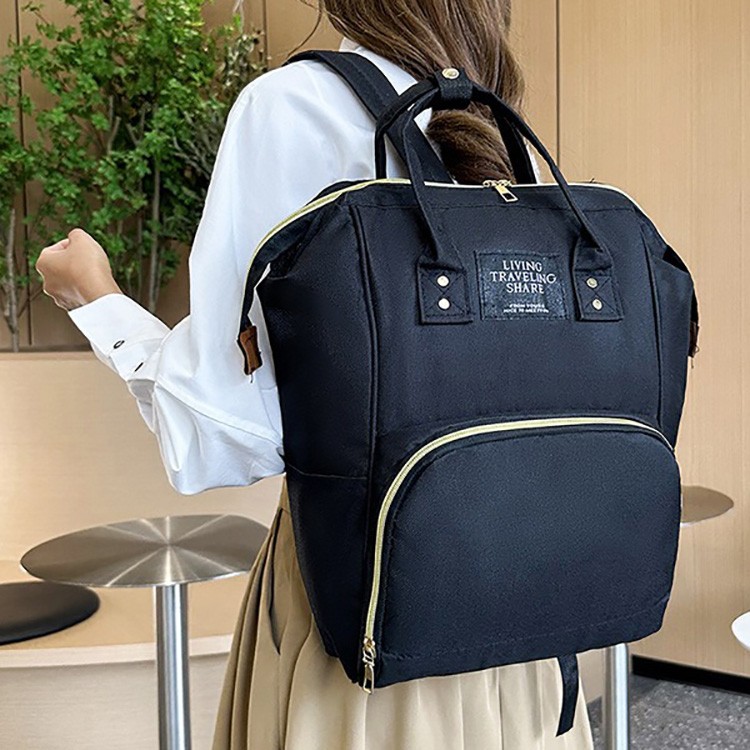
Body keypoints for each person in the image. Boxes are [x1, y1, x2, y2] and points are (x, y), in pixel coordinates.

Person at [36, 1, 594, 747]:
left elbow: (222, 438)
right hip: (526, 616)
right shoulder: (498, 123)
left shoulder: (293, 106)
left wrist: (97, 300)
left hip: (365, 620)